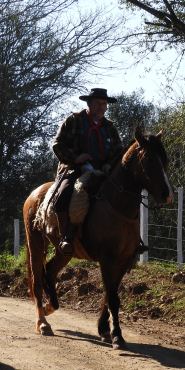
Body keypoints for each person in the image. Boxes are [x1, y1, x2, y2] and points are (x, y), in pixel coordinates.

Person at [51, 88, 123, 254]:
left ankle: (131, 240)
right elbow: (57, 145)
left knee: (125, 194)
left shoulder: (110, 127)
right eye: (97, 103)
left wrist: (109, 165)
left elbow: (119, 151)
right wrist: (75, 157)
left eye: (104, 104)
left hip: (103, 171)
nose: (101, 107)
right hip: (75, 169)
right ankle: (66, 238)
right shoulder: (73, 120)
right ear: (88, 103)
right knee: (63, 196)